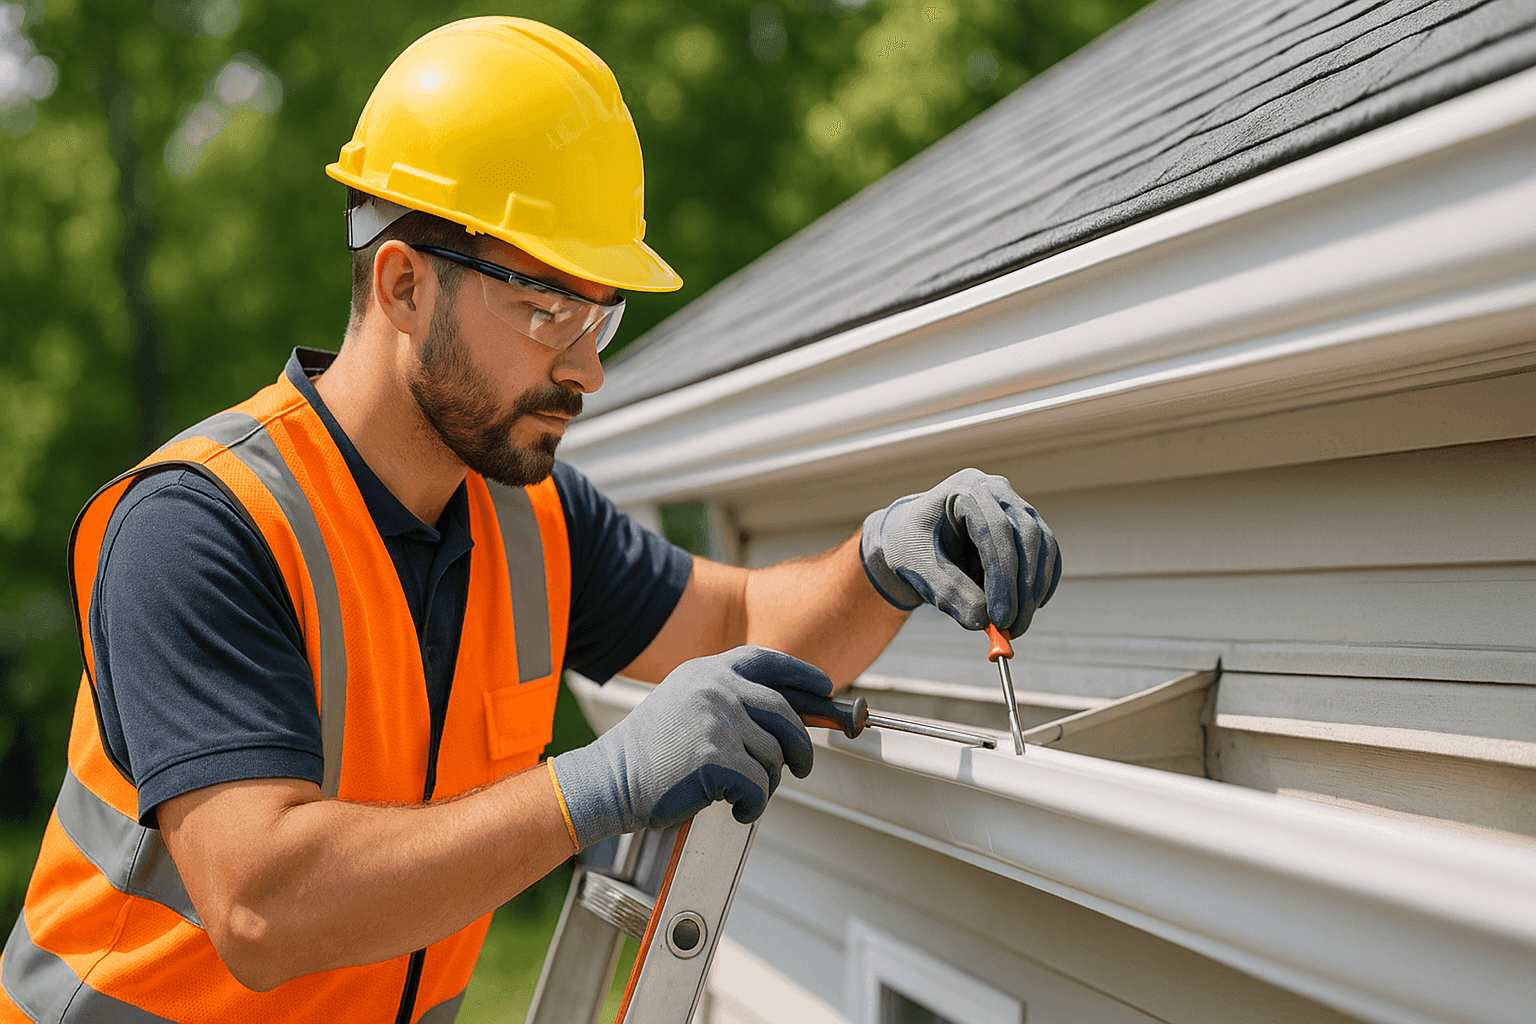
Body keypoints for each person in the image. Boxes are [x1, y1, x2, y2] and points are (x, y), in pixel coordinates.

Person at [0, 16, 1060, 1024]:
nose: (589, 365)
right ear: (404, 284)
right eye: (548, 307)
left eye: (602, 313)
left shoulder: (531, 521)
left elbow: (742, 614)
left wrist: (886, 557)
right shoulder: (200, 525)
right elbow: (262, 904)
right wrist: (595, 787)